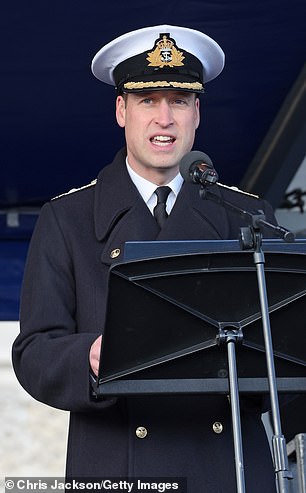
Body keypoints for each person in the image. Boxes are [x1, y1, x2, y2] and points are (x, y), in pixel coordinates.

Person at [12, 25, 277, 491]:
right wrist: (89, 357)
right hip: (118, 465)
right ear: (121, 111)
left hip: (226, 467)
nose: (164, 118)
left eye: (178, 101)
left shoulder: (249, 216)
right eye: (147, 100)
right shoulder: (67, 219)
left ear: (197, 114)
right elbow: (35, 352)